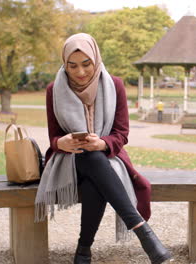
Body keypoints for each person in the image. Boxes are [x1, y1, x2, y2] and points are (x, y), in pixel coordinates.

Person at [35, 33, 172, 264]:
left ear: (96, 59)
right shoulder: (53, 89)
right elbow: (53, 137)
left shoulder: (114, 85)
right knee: (92, 159)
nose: (80, 72)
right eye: (73, 66)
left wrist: (103, 143)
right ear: (65, 64)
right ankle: (141, 229)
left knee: (95, 173)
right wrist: (62, 143)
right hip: (69, 163)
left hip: (103, 161)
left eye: (86, 64)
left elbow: (121, 134)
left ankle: (83, 250)